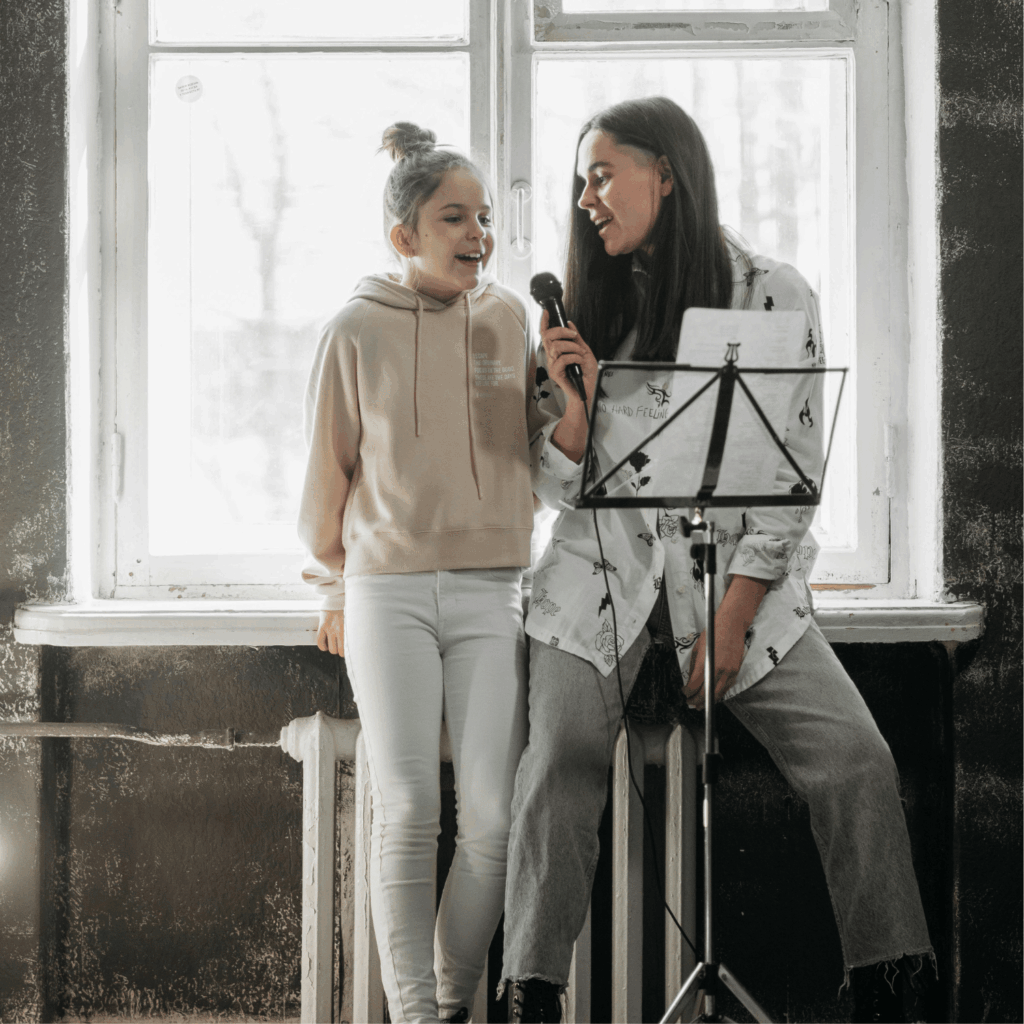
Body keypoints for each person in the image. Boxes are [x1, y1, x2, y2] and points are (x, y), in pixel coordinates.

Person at [502, 97, 934, 1024]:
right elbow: (556, 489)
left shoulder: (775, 293)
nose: (585, 197)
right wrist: (571, 416)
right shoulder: (581, 304)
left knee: (857, 760)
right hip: (598, 590)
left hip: (739, 590)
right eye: (581, 179)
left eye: (601, 173)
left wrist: (734, 618)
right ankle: (530, 995)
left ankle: (892, 987)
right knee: (560, 760)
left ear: (668, 174)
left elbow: (792, 482)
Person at [299, 122, 542, 1023]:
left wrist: (571, 398)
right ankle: (416, 1014)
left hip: (493, 589)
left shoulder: (511, 317)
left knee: (491, 817)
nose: (477, 234)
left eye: (484, 218)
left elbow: (540, 454)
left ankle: (442, 1000)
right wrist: (330, 585)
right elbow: (327, 473)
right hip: (386, 594)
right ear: (404, 235)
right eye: (454, 218)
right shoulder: (354, 328)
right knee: (405, 810)